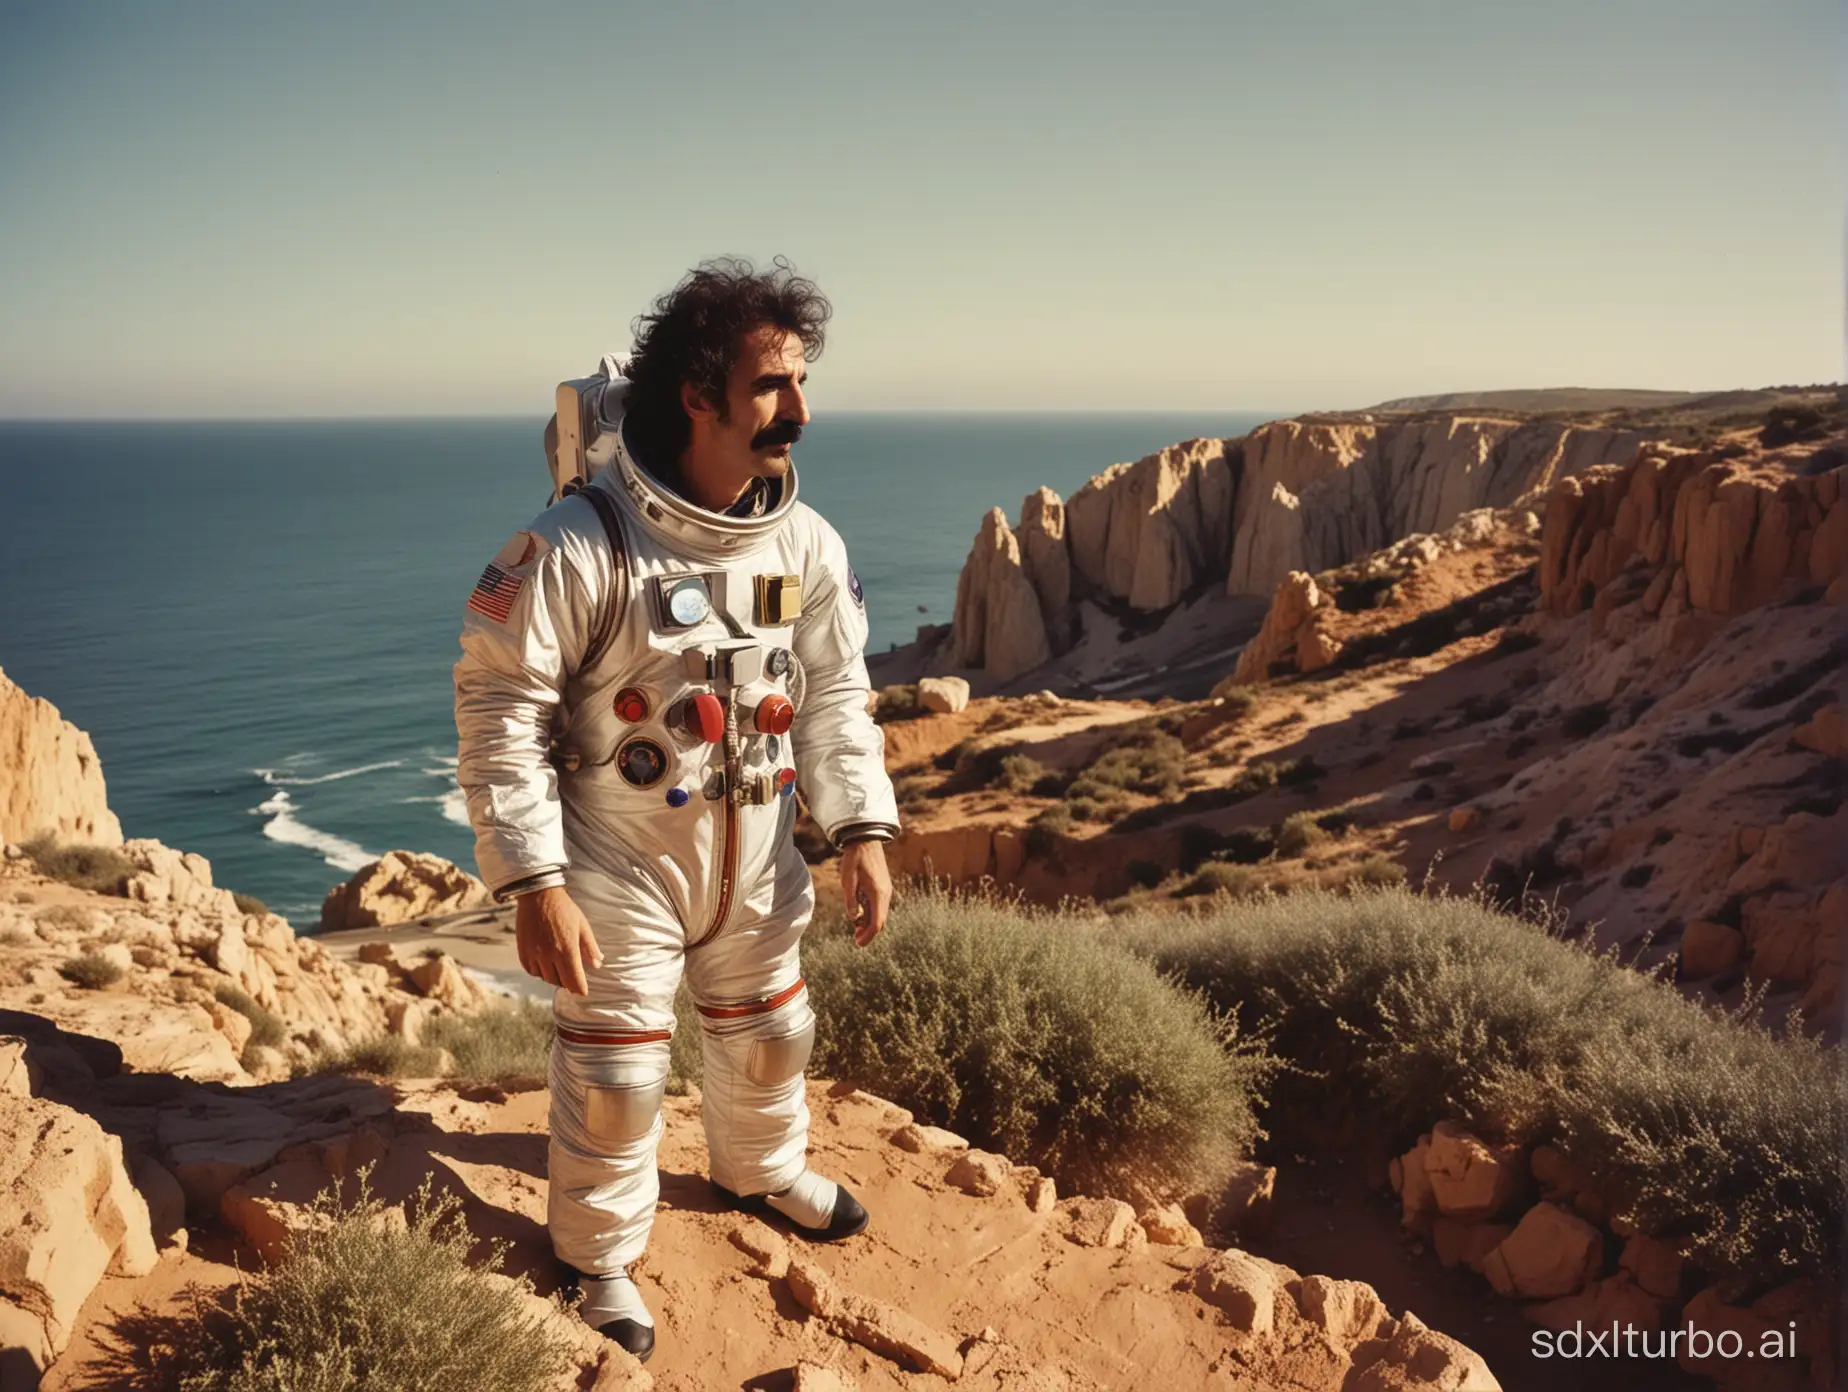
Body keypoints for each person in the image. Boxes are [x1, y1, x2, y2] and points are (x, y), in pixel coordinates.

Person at [452, 258, 899, 1363]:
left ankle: (760, 1169)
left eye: (800, 384)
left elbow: (837, 696)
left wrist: (862, 828)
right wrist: (533, 881)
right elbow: (499, 708)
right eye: (769, 388)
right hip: (621, 859)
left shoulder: (805, 543)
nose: (798, 411)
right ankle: (598, 1252)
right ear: (697, 397)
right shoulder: (574, 547)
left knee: (773, 1029)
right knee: (616, 1074)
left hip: (758, 850)